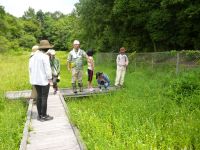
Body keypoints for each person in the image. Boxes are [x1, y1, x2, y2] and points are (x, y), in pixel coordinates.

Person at [29, 40, 53, 121]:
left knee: (38, 97)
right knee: (44, 98)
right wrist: (50, 79)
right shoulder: (45, 57)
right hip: (44, 80)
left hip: (35, 80)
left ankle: (39, 115)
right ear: (46, 48)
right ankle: (44, 115)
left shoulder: (32, 57)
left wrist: (32, 79)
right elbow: (48, 70)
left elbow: (30, 69)